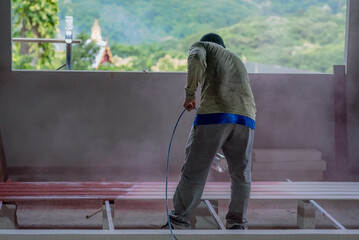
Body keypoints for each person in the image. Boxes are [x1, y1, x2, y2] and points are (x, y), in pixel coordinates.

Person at [167, 33, 256, 230]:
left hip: (215, 114)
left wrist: (190, 94)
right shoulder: (236, 59)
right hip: (246, 117)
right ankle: (237, 223)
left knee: (194, 171)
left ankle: (179, 221)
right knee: (241, 174)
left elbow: (197, 58)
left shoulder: (203, 46)